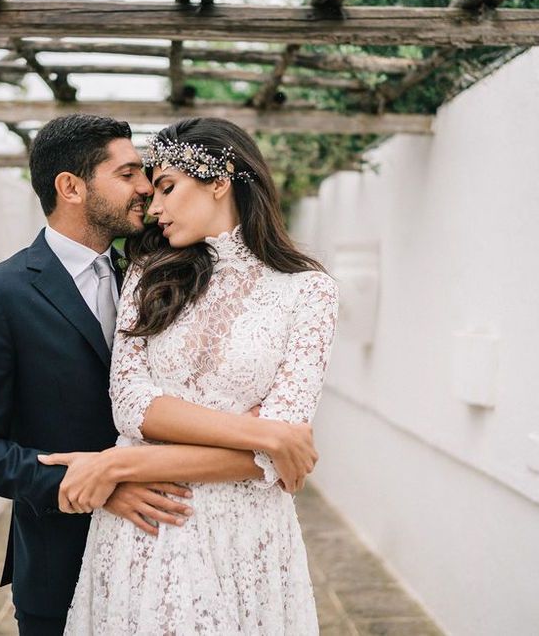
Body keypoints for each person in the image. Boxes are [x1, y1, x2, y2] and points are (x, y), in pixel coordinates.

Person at [0, 114, 319, 636]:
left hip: (212, 534)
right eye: (129, 175)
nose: (145, 189)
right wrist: (103, 480)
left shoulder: (155, 271)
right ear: (70, 187)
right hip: (63, 550)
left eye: (155, 179)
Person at [39, 117, 340, 634]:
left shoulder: (309, 291)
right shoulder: (149, 273)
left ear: (220, 180)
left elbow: (272, 461)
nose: (153, 208)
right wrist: (262, 432)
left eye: (167, 188)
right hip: (146, 528)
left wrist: (118, 465)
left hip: (247, 536)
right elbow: (131, 404)